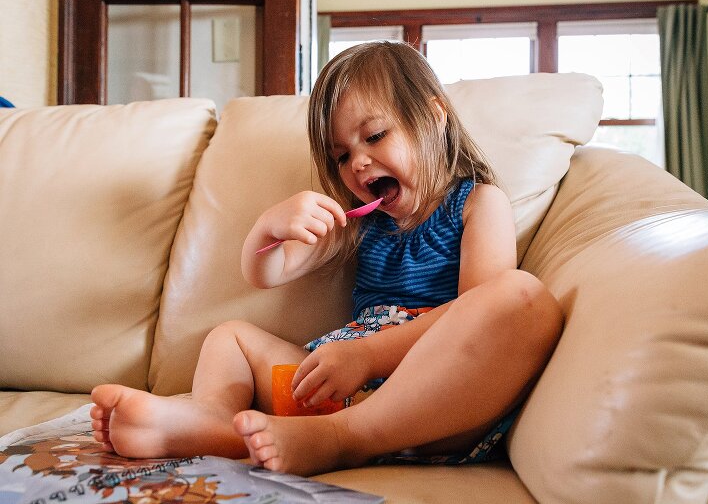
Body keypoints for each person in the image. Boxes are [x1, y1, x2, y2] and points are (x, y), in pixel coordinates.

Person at [90, 41, 563, 477]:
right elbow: (265, 272)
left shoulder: (479, 204)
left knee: (522, 298)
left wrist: (368, 354)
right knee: (229, 337)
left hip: (434, 404)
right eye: (341, 155)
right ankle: (209, 423)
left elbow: (479, 312)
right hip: (334, 389)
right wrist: (270, 229)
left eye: (375, 135)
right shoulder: (358, 222)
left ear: (434, 117)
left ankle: (345, 438)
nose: (358, 163)